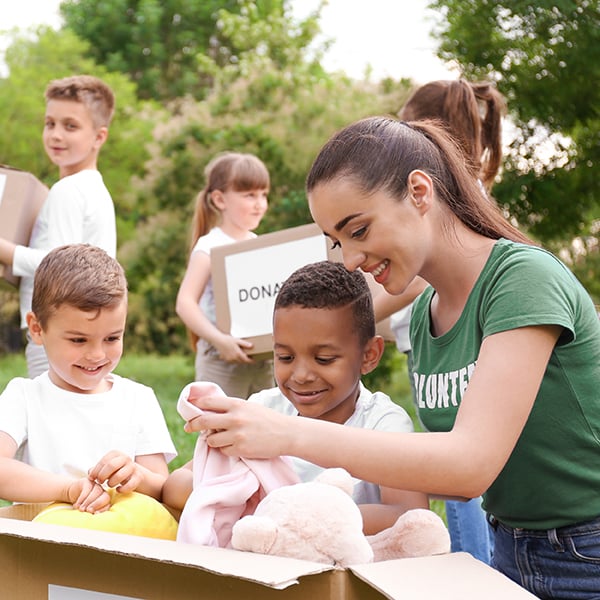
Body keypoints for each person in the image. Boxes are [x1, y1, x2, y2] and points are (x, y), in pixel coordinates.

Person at [183, 117, 600, 599]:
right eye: (338, 242)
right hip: (508, 548)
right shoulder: (426, 313)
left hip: (586, 552)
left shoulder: (522, 280)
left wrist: (288, 434)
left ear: (420, 192)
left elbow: (469, 467)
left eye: (358, 229)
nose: (351, 259)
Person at [164, 260, 429, 535]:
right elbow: (177, 485)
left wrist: (288, 516)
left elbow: (408, 515)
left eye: (324, 359)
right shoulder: (261, 410)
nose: (301, 375)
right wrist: (227, 493)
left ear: (369, 355)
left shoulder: (383, 423)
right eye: (285, 357)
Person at [373, 78, 507, 563]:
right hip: (430, 342)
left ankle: (471, 562)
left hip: (455, 346)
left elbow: (417, 279)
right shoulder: (468, 189)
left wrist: (350, 317)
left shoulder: (449, 201)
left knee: (456, 468)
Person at [0, 244, 176, 514]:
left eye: (112, 338)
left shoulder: (138, 399)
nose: (96, 355)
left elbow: (163, 489)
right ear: (37, 328)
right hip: (44, 546)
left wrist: (136, 475)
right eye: (78, 339)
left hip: (119, 545)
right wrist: (67, 490)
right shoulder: (24, 396)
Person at [0, 74, 117, 379]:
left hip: (56, 329)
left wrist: (6, 251)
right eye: (50, 123)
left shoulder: (69, 190)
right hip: (84, 329)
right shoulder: (95, 189)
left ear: (99, 137)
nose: (55, 135)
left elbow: (59, 265)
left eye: (71, 126)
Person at [175, 151, 274, 398]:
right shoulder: (210, 246)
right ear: (220, 200)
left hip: (261, 360)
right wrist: (220, 340)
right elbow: (185, 303)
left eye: (263, 195)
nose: (259, 203)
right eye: (249, 195)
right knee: (220, 431)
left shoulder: (259, 244)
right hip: (220, 360)